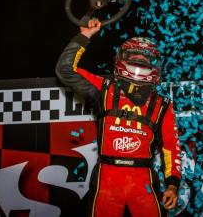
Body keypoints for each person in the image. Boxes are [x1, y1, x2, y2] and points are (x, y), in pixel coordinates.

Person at [56, 19, 181, 217]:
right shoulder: (104, 89)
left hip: (143, 181)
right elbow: (65, 70)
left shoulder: (162, 105)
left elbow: (171, 148)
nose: (139, 64)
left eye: (144, 60)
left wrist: (173, 185)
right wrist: (85, 36)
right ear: (122, 60)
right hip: (107, 178)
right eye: (134, 58)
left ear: (154, 66)